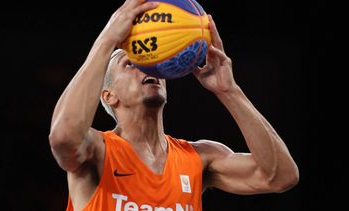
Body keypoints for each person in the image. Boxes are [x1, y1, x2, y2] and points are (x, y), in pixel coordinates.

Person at [48, 0, 299, 210]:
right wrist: (108, 39)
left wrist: (229, 90)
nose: (146, 68)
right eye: (130, 63)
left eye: (150, 62)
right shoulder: (96, 151)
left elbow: (280, 176)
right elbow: (62, 137)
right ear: (109, 95)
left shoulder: (199, 157)